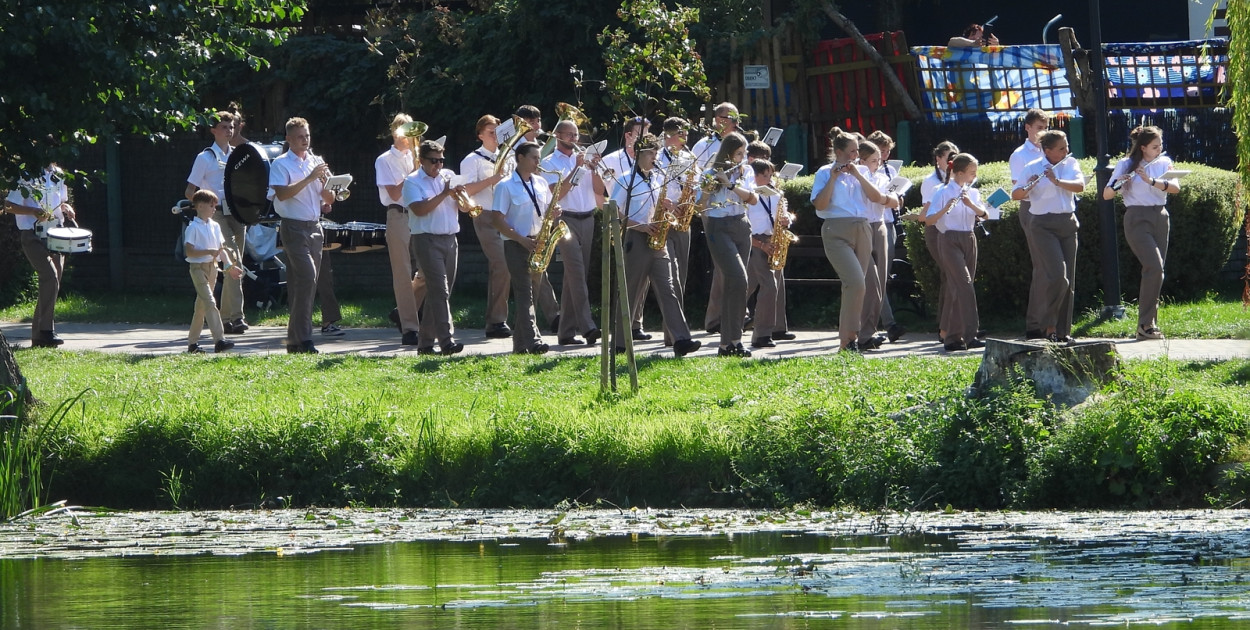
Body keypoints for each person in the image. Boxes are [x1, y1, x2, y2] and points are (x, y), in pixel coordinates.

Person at [610, 133, 702, 358]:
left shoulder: (657, 178)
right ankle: (620, 344)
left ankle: (681, 339)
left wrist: (672, 207)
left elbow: (659, 204)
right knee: (631, 290)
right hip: (636, 237)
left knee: (669, 289)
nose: (655, 157)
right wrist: (639, 226)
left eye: (656, 153)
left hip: (658, 237)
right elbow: (613, 212)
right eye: (651, 153)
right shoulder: (625, 179)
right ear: (639, 153)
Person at [810, 127, 891, 352]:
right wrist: (834, 178)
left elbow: (876, 197)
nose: (856, 156)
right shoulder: (824, 172)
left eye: (857, 152)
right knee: (855, 281)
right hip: (836, 229)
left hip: (862, 228)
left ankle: (850, 339)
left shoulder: (862, 172)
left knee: (857, 286)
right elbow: (820, 204)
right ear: (838, 152)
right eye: (852, 152)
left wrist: (856, 173)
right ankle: (849, 337)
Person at [1012, 129, 1086, 345]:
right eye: (1061, 148)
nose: (1067, 151)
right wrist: (1030, 185)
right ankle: (1048, 324)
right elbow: (1016, 194)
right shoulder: (1032, 167)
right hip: (1042, 225)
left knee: (1068, 280)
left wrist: (1056, 181)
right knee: (1056, 275)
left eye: (1066, 147)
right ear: (1047, 150)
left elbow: (1080, 186)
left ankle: (1062, 331)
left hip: (1067, 223)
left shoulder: (1070, 165)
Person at [1102, 125, 1176, 341]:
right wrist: (1120, 183)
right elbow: (1106, 194)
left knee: (1157, 270)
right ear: (1143, 147)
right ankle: (1145, 324)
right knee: (1153, 265)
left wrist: (1151, 181)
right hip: (1137, 218)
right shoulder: (1126, 164)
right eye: (1155, 146)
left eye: (1160, 145)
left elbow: (1175, 187)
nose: (1159, 148)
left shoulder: (1163, 162)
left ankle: (1149, 324)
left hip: (1160, 217)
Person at [268, 117, 334, 354]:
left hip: (315, 226)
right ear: (288, 139)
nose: (305, 140)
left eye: (307, 135)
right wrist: (309, 179)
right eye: (299, 136)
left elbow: (329, 200)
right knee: (308, 277)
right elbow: (283, 195)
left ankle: (294, 341)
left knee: (305, 283)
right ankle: (305, 339)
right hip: (293, 227)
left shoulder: (316, 161)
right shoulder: (281, 163)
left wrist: (329, 185)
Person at [184, 110, 249, 335]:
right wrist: (205, 209)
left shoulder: (236, 155)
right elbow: (190, 191)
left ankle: (226, 318)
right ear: (213, 130)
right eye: (224, 127)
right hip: (217, 213)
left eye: (231, 128)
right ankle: (236, 317)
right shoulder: (205, 157)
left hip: (237, 213)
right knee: (234, 260)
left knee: (232, 265)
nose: (229, 131)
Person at [488, 142, 556, 355]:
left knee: (532, 295)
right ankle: (535, 341)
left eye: (539, 158)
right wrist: (520, 239)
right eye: (534, 158)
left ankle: (519, 346)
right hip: (517, 245)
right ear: (520, 158)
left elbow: (544, 212)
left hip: (538, 242)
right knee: (525, 294)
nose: (538, 162)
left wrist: (553, 215)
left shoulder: (542, 183)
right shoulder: (505, 185)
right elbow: (497, 220)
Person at [542, 119, 603, 346]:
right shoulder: (548, 163)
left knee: (575, 276)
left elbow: (599, 191)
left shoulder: (586, 162)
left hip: (587, 219)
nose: (574, 139)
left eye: (576, 135)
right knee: (576, 272)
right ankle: (588, 327)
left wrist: (593, 170)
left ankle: (566, 332)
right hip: (564, 219)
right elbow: (556, 194)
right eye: (569, 135)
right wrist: (577, 168)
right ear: (557, 136)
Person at [403, 140, 467, 355]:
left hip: (450, 239)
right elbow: (419, 210)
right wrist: (444, 194)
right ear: (421, 160)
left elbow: (465, 208)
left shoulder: (448, 176)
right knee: (440, 291)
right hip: (426, 240)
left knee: (438, 294)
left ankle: (425, 344)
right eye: (433, 161)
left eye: (441, 160)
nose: (438, 165)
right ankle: (446, 342)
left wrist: (460, 196)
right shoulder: (412, 181)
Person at [698, 131, 758, 357]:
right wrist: (709, 188)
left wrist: (730, 185)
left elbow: (752, 198)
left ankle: (731, 342)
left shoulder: (747, 171)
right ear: (728, 154)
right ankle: (729, 341)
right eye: (738, 154)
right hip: (718, 227)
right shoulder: (710, 172)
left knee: (737, 286)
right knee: (737, 278)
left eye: (744, 153)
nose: (742, 158)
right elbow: (699, 207)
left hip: (742, 225)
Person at [925, 153, 989, 351]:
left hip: (969, 238)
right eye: (971, 173)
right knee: (964, 285)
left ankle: (952, 338)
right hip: (949, 239)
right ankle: (971, 335)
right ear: (959, 173)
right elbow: (929, 220)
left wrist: (971, 204)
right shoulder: (942, 192)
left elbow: (985, 215)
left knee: (956, 288)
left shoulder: (973, 193)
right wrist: (946, 207)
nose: (973, 177)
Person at [4, 165, 74, 348]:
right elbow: (9, 205)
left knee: (53, 282)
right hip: (32, 234)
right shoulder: (25, 175)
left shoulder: (58, 174)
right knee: (50, 277)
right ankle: (47, 331)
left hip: (56, 234)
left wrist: (66, 208)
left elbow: (62, 201)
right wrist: (34, 212)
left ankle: (39, 337)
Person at [461, 114, 515, 339]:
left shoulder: (511, 156)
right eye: (490, 132)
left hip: (508, 215)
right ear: (480, 135)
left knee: (509, 266)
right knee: (501, 263)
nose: (495, 136)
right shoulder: (472, 160)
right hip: (485, 214)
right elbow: (465, 191)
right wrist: (493, 179)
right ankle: (497, 320)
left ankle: (502, 320)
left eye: (498, 132)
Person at [376, 113, 425, 346]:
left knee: (428, 269)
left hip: (420, 215)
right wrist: (414, 173)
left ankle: (402, 311)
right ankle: (410, 328)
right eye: (406, 131)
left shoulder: (418, 157)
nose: (411, 137)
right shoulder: (384, 160)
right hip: (398, 214)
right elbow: (394, 194)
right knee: (403, 273)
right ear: (396, 132)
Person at [602, 116, 652, 339]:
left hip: (646, 227)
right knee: (628, 279)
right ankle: (622, 329)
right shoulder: (612, 160)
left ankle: (635, 324)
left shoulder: (652, 165)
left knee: (643, 279)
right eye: (641, 133)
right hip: (624, 224)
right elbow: (601, 194)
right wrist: (615, 223)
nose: (646, 138)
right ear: (629, 135)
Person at [513, 105, 561, 333]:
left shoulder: (541, 149)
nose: (536, 123)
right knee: (512, 276)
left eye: (538, 119)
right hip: (514, 217)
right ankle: (499, 320)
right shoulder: (511, 148)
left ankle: (552, 317)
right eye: (531, 120)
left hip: (535, 216)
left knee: (538, 270)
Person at [656, 117, 700, 346]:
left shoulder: (689, 157)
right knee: (668, 276)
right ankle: (673, 334)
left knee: (680, 275)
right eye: (681, 135)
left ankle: (672, 332)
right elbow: (652, 185)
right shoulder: (656, 157)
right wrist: (666, 202)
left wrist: (693, 193)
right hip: (662, 219)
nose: (685, 139)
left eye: (686, 135)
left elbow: (698, 184)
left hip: (683, 219)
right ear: (668, 136)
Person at [1009, 109, 1051, 339]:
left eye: (1046, 127)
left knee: (1050, 267)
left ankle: (1048, 321)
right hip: (1032, 209)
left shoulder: (1051, 150)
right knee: (1042, 266)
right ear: (1028, 128)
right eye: (1038, 128)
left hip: (1051, 209)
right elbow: (1019, 191)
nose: (1043, 132)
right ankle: (1035, 323)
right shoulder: (1020, 155)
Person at [182, 190, 242, 353]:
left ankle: (192, 345)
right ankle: (219, 340)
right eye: (211, 205)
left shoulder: (215, 226)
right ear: (200, 206)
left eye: (215, 205)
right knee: (210, 302)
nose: (214, 208)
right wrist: (208, 251)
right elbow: (189, 252)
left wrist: (230, 267)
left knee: (201, 307)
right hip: (198, 269)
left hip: (213, 268)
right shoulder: (193, 227)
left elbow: (220, 250)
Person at [856, 140, 902, 350]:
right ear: (862, 161)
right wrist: (883, 198)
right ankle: (865, 331)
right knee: (869, 280)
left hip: (880, 224)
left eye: (878, 159)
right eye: (873, 160)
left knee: (881, 280)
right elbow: (873, 197)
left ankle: (870, 331)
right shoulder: (855, 178)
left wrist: (883, 198)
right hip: (863, 226)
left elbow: (895, 202)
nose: (878, 163)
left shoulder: (883, 176)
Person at [744, 159, 792, 349]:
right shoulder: (748, 196)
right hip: (755, 242)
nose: (769, 179)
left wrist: (787, 219)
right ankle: (762, 334)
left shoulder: (776, 195)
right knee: (769, 286)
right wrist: (760, 245)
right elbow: (743, 227)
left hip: (772, 241)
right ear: (753, 177)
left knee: (747, 286)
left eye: (770, 175)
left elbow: (785, 216)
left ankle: (732, 321)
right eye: (764, 175)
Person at [921, 141, 960, 342]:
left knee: (951, 276)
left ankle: (951, 324)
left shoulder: (959, 180)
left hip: (953, 231)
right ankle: (948, 326)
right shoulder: (931, 182)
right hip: (936, 231)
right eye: (949, 158)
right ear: (938, 160)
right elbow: (928, 213)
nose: (953, 162)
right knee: (951, 275)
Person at [692, 102, 740, 169]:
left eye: (738, 119)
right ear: (718, 120)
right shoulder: (703, 146)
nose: (737, 123)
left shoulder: (741, 145)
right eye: (732, 118)